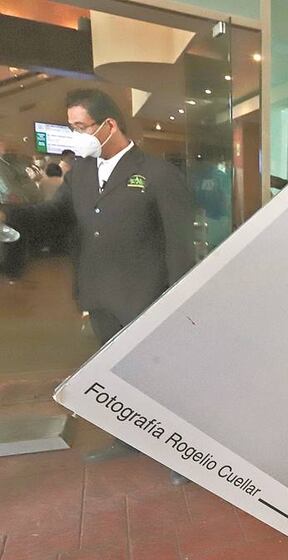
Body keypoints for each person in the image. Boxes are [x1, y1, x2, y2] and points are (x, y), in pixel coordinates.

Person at [0, 89, 196, 474]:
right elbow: (53, 218)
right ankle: (129, 439)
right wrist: (9, 219)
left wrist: (179, 299)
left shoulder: (157, 174)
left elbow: (179, 243)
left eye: (80, 127)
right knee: (118, 376)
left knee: (162, 379)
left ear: (108, 125)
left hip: (147, 295)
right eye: (71, 127)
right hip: (100, 293)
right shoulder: (82, 175)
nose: (75, 135)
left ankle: (180, 453)